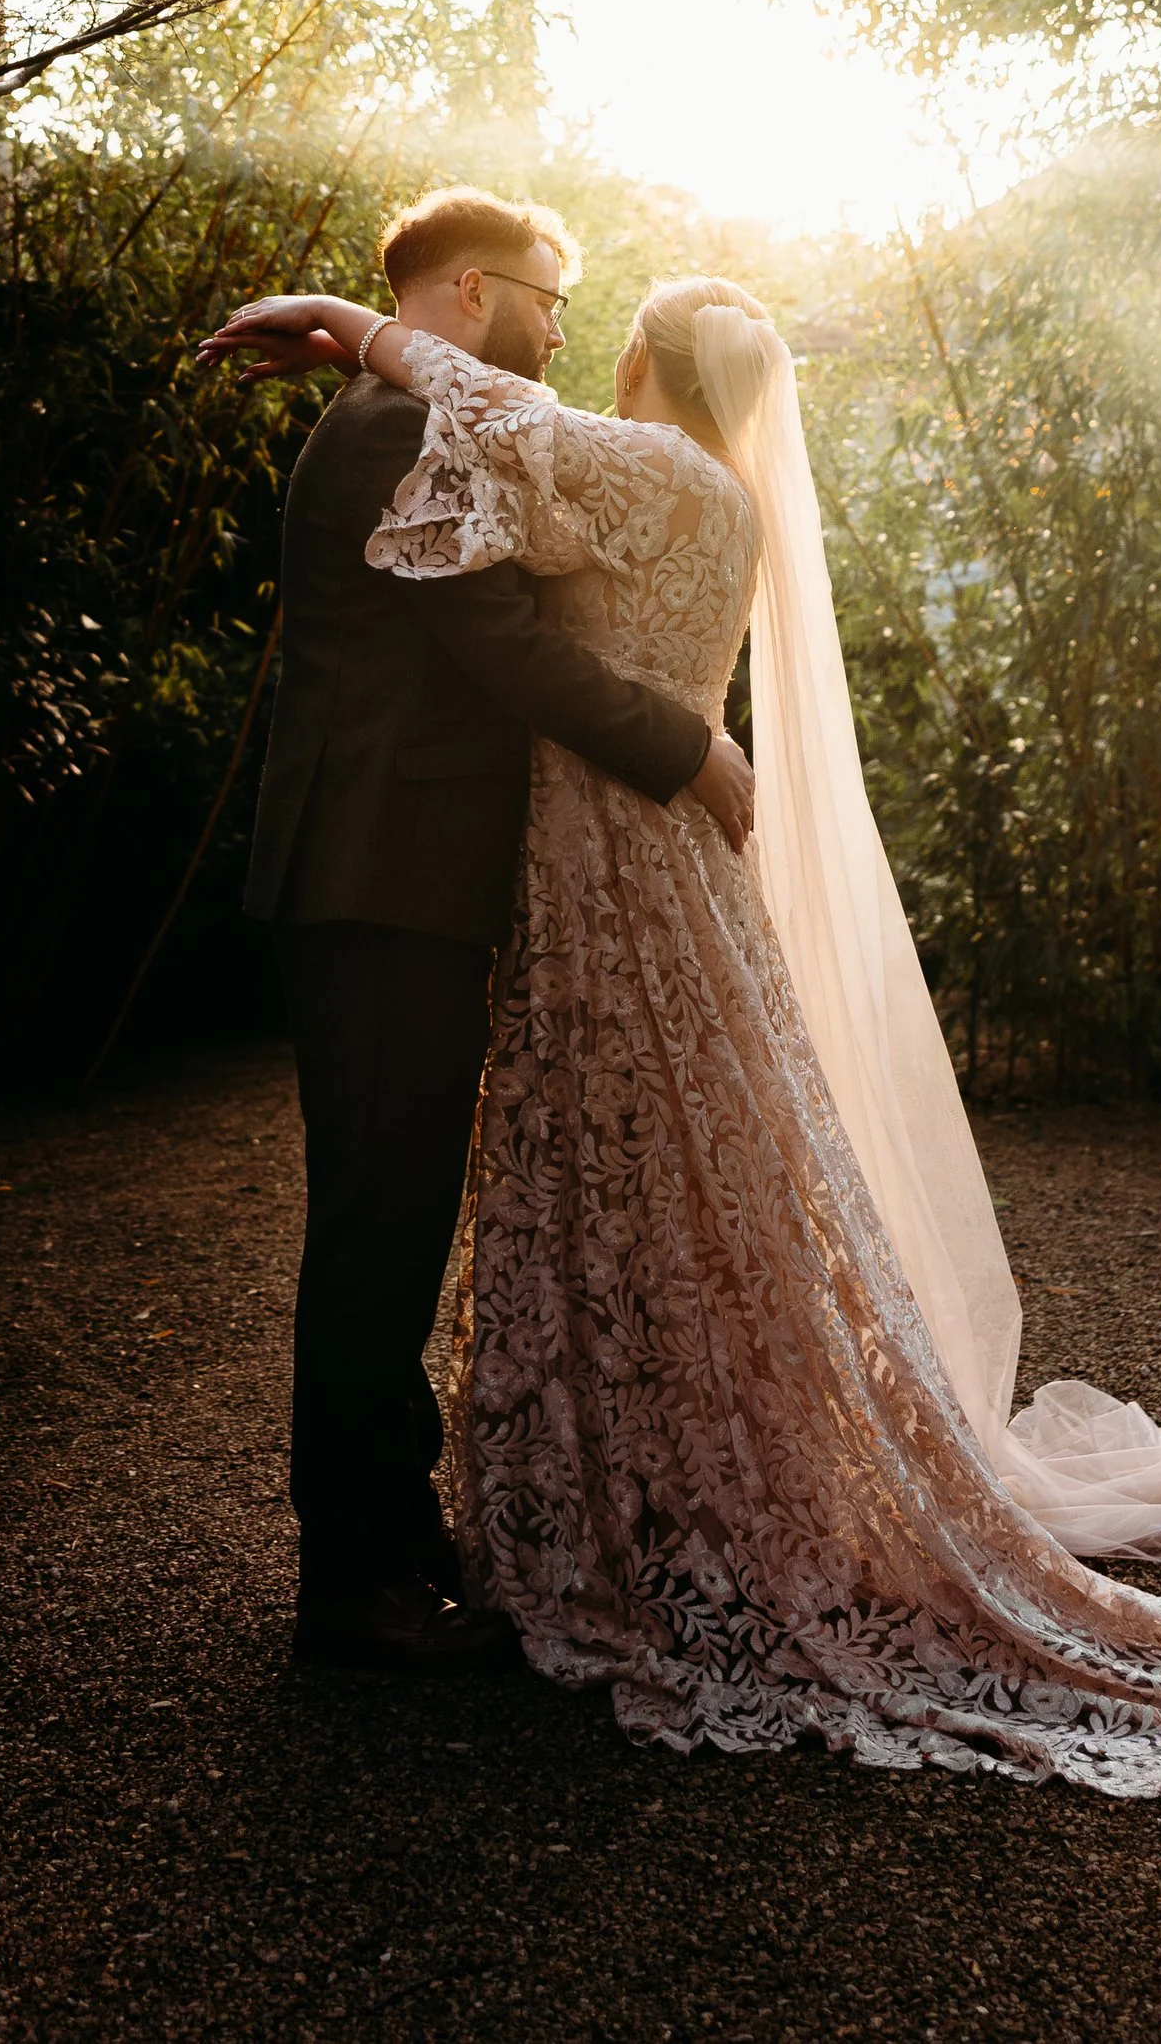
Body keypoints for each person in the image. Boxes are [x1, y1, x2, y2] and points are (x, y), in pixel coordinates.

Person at [203, 260, 1161, 1801]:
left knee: (642, 1170)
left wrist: (350, 319)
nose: (578, 350)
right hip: (633, 858)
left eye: (614, 337)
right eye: (549, 304)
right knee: (686, 1174)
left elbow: (496, 429)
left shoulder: (645, 470)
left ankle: (632, 1495)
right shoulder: (711, 493)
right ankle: (631, 1485)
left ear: (657, 373)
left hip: (626, 856)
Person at [216, 188, 759, 1677]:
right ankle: (352, 1586)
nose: (561, 333)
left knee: (384, 1216)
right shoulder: (400, 433)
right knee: (378, 1232)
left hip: (386, 879)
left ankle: (395, 1535)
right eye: (547, 301)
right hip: (380, 878)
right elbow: (505, 644)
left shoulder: (405, 413)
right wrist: (688, 747)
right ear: (472, 290)